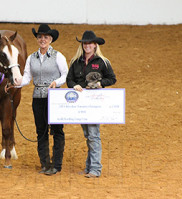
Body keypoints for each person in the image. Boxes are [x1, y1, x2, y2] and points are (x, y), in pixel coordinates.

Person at [16, 24, 68, 175]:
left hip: (55, 97)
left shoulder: (58, 56)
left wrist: (56, 83)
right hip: (38, 97)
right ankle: (45, 164)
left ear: (51, 39)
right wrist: (15, 83)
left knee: (57, 130)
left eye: (45, 37)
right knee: (41, 131)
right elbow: (26, 78)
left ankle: (56, 164)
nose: (42, 40)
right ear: (37, 39)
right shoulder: (32, 57)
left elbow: (65, 74)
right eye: (40, 37)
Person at [66, 30, 117, 178]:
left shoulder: (102, 62)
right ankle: (90, 167)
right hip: (82, 103)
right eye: (85, 43)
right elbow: (70, 80)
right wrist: (74, 86)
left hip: (95, 102)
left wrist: (101, 83)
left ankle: (95, 168)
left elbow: (112, 79)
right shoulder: (76, 62)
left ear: (95, 45)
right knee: (88, 135)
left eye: (89, 43)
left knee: (93, 135)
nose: (87, 45)